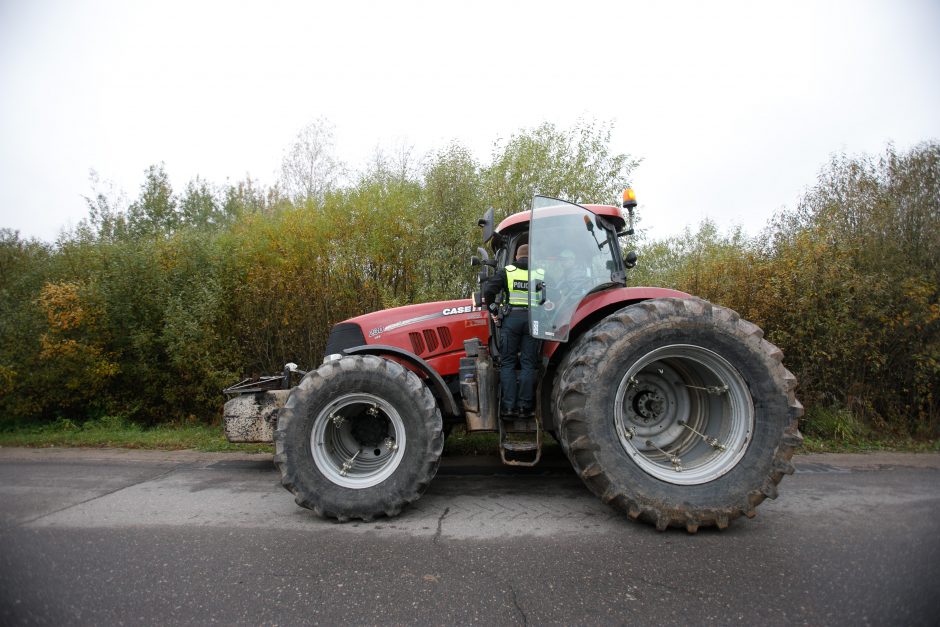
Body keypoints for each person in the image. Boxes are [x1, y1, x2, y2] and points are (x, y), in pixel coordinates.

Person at [483, 243, 540, 419]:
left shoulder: (507, 271)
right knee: (528, 364)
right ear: (531, 257)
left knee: (507, 363)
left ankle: (508, 408)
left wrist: (494, 310)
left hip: (512, 320)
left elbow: (488, 291)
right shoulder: (539, 273)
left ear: (516, 256)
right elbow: (546, 298)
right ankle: (525, 408)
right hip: (532, 321)